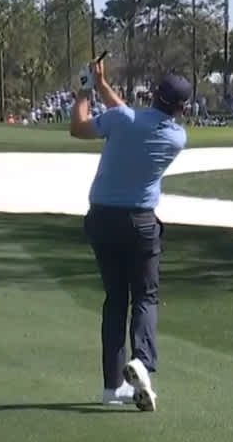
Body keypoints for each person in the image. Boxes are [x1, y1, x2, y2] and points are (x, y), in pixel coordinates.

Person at [68, 57, 191, 411]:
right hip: (141, 224)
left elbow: (79, 127)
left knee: (115, 299)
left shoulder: (122, 120)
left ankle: (112, 387)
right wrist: (103, 86)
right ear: (182, 108)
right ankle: (142, 361)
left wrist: (86, 90)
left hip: (102, 219)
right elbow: (130, 118)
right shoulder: (176, 137)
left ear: (153, 95)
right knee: (146, 297)